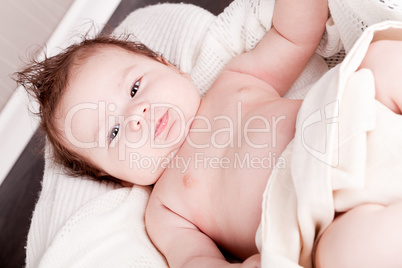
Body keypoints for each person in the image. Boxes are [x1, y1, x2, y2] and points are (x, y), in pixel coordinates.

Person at [15, 0, 402, 266]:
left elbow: (292, 36)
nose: (138, 115)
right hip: (317, 218)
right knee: (344, 255)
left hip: (349, 121)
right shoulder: (165, 209)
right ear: (112, 176)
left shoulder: (235, 79)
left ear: (166, 64)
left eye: (135, 89)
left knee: (378, 62)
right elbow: (195, 260)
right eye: (114, 131)